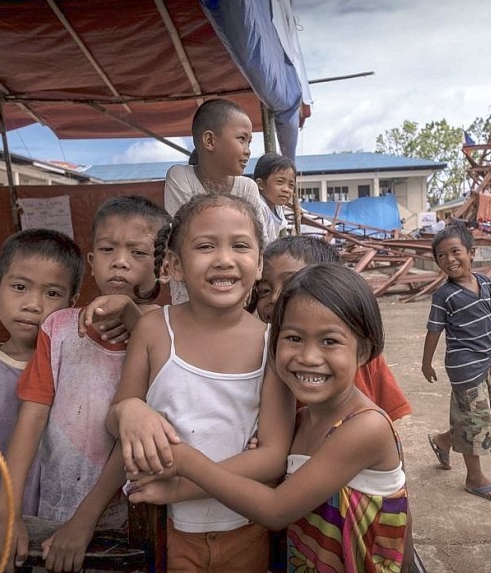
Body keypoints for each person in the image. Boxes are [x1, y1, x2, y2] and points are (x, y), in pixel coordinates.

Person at [129, 264, 410, 573]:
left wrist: (184, 462)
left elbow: (276, 510)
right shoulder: (302, 421)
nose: (308, 356)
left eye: (329, 341)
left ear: (365, 350)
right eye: (293, 338)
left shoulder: (365, 427)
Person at [0, 196, 171, 573]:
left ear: (164, 267)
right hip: (53, 514)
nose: (120, 260)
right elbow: (31, 421)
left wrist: (85, 521)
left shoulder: (168, 336)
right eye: (107, 248)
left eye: (138, 251)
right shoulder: (59, 329)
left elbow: (133, 438)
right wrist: (7, 514)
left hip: (127, 525)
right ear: (91, 261)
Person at [106, 193, 294, 573]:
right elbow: (115, 420)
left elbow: (274, 456)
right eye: (206, 246)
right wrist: (129, 410)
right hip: (164, 533)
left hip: (245, 528)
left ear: (258, 263)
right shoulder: (155, 330)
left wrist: (180, 489)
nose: (224, 259)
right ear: (173, 265)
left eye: (240, 245)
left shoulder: (273, 344)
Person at [0, 228, 83, 562]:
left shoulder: (84, 365)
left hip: (80, 528)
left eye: (52, 293)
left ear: (71, 304)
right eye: (19, 287)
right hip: (8, 530)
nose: (33, 305)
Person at [253, 235, 412, 422]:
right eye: (264, 290)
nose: (274, 298)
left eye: (290, 285)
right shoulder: (262, 358)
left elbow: (389, 416)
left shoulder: (364, 359)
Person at [422, 225, 491, 503]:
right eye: (441, 256)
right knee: (476, 422)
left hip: (487, 360)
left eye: (455, 252)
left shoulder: (485, 282)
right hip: (464, 367)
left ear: (471, 253)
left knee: (488, 417)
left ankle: (443, 440)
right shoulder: (444, 296)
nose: (449, 259)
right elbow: (433, 331)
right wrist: (426, 364)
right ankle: (474, 478)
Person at [164, 98, 270, 304]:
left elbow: (259, 242)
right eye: (241, 139)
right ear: (210, 141)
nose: (248, 150)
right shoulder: (180, 177)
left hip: (238, 300)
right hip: (190, 301)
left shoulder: (248, 187)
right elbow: (186, 234)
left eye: (249, 142)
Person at [253, 152, 296, 242]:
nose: (286, 189)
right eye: (280, 182)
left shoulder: (277, 206)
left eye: (291, 185)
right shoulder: (259, 207)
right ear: (260, 184)